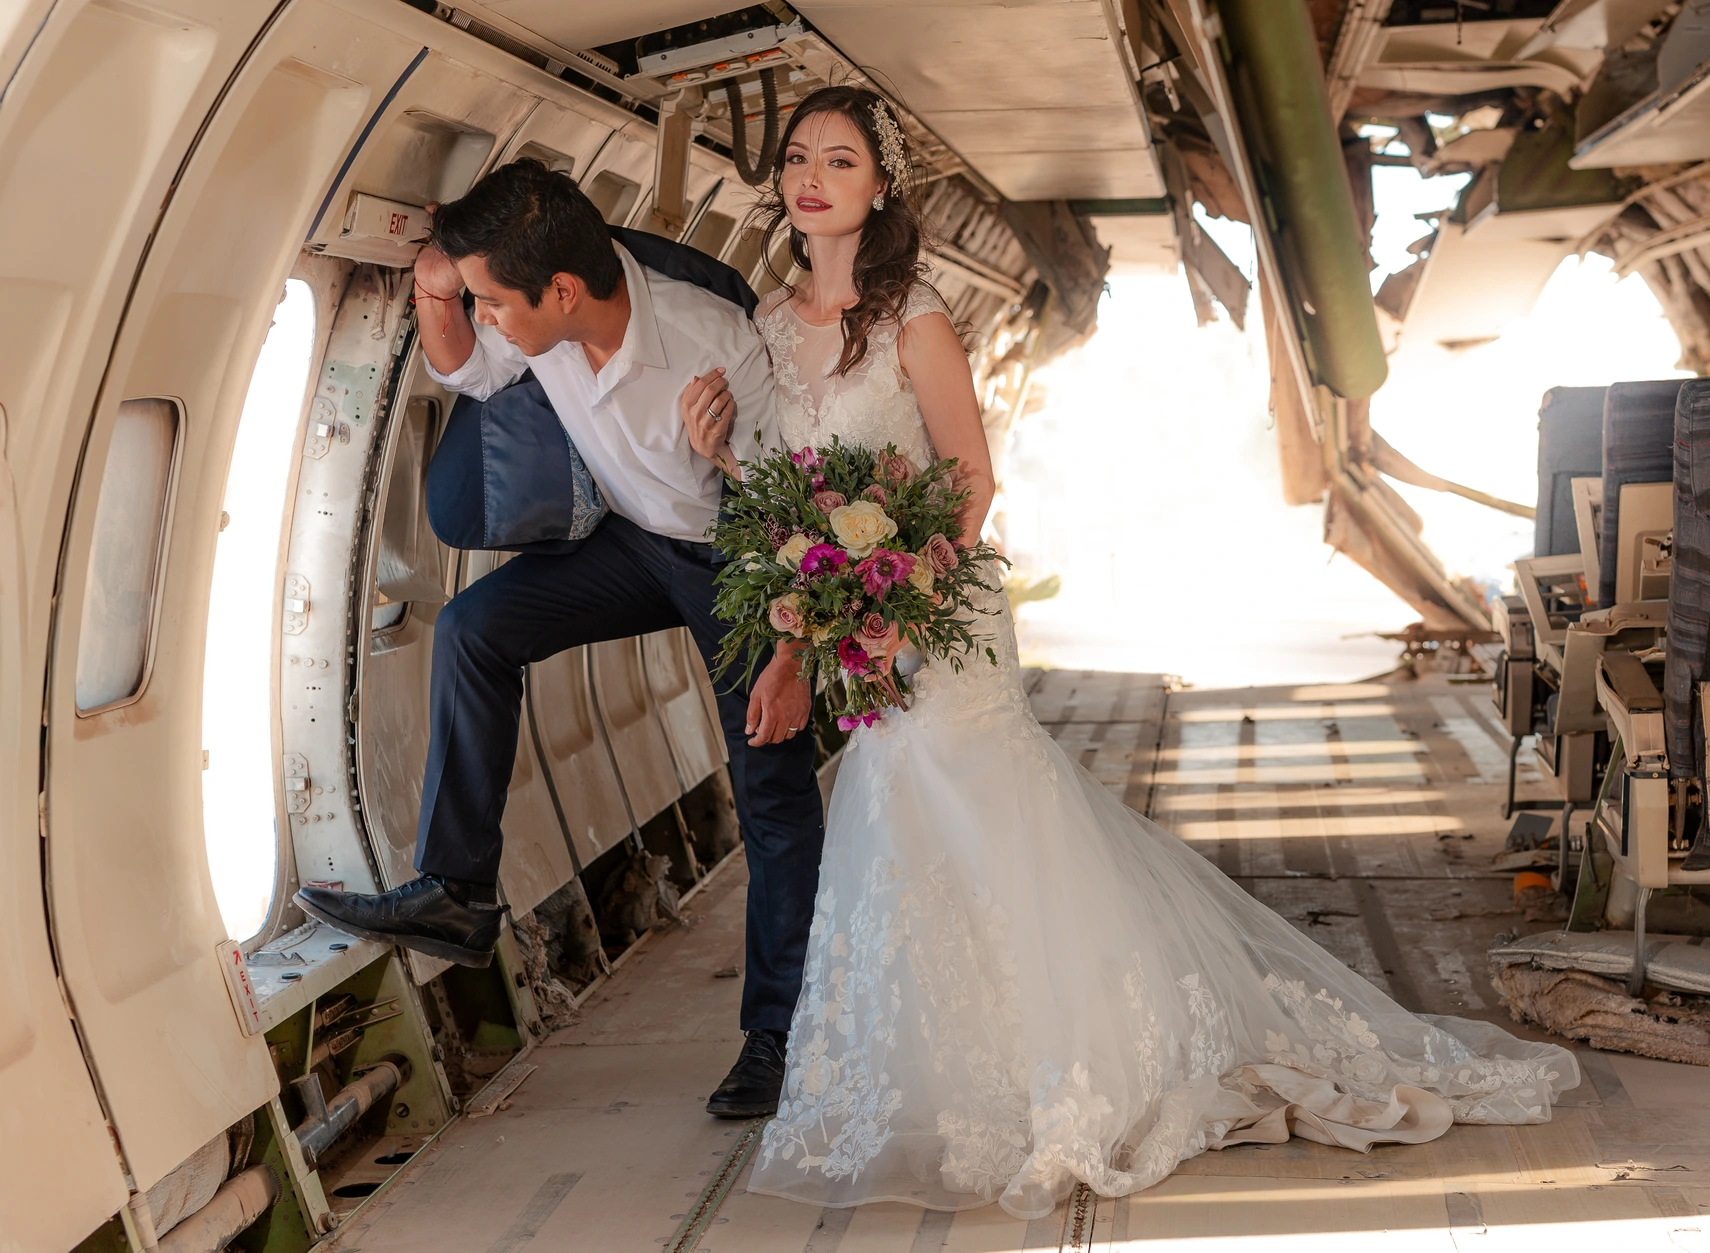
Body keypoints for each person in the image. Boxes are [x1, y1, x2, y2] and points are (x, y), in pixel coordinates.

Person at [679, 86, 1581, 1221]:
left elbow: (967, 482)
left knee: (979, 819)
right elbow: (779, 495)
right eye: (798, 158)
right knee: (897, 833)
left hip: (936, 624)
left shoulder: (916, 318)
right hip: (851, 628)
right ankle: (933, 1080)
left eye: (840, 160)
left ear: (879, 185)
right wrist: (724, 464)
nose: (812, 178)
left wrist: (894, 604)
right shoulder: (763, 325)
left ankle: (1062, 1071)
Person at [293, 160, 824, 1119]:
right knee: (471, 628)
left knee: (772, 791)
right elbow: (468, 365)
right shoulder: (546, 312)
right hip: (637, 544)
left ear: (564, 291)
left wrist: (789, 658)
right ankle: (457, 889)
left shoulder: (714, 345)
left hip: (741, 560)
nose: (489, 315)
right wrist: (438, 292)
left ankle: (780, 1032)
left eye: (496, 300)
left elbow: (795, 512)